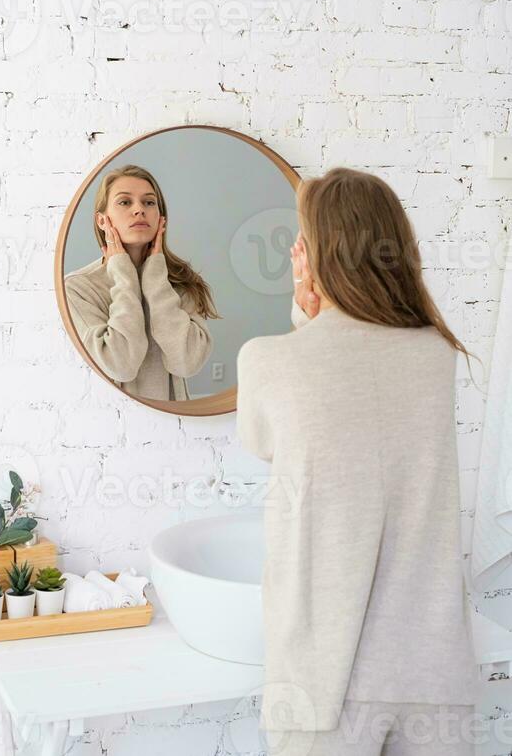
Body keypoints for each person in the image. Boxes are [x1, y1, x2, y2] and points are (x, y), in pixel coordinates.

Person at [236, 167, 482, 756]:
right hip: (429, 667)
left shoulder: (268, 360)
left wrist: (306, 321)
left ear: (315, 253)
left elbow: (264, 440)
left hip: (324, 680)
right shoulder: (435, 354)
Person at [65, 163, 218, 402]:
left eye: (149, 202)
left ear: (161, 219)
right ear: (102, 220)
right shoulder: (79, 287)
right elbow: (121, 365)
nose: (139, 210)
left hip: (177, 425)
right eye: (125, 202)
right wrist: (123, 274)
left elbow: (186, 363)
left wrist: (155, 277)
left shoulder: (181, 282)